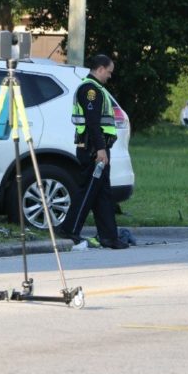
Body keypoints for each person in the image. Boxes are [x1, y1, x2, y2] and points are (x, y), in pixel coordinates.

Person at [58, 54, 128, 249]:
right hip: (93, 150)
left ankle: (109, 237)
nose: (110, 76)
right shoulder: (90, 90)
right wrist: (100, 149)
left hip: (97, 149)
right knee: (88, 191)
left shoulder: (96, 89)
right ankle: (69, 230)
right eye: (109, 72)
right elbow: (93, 122)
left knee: (103, 193)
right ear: (100, 69)